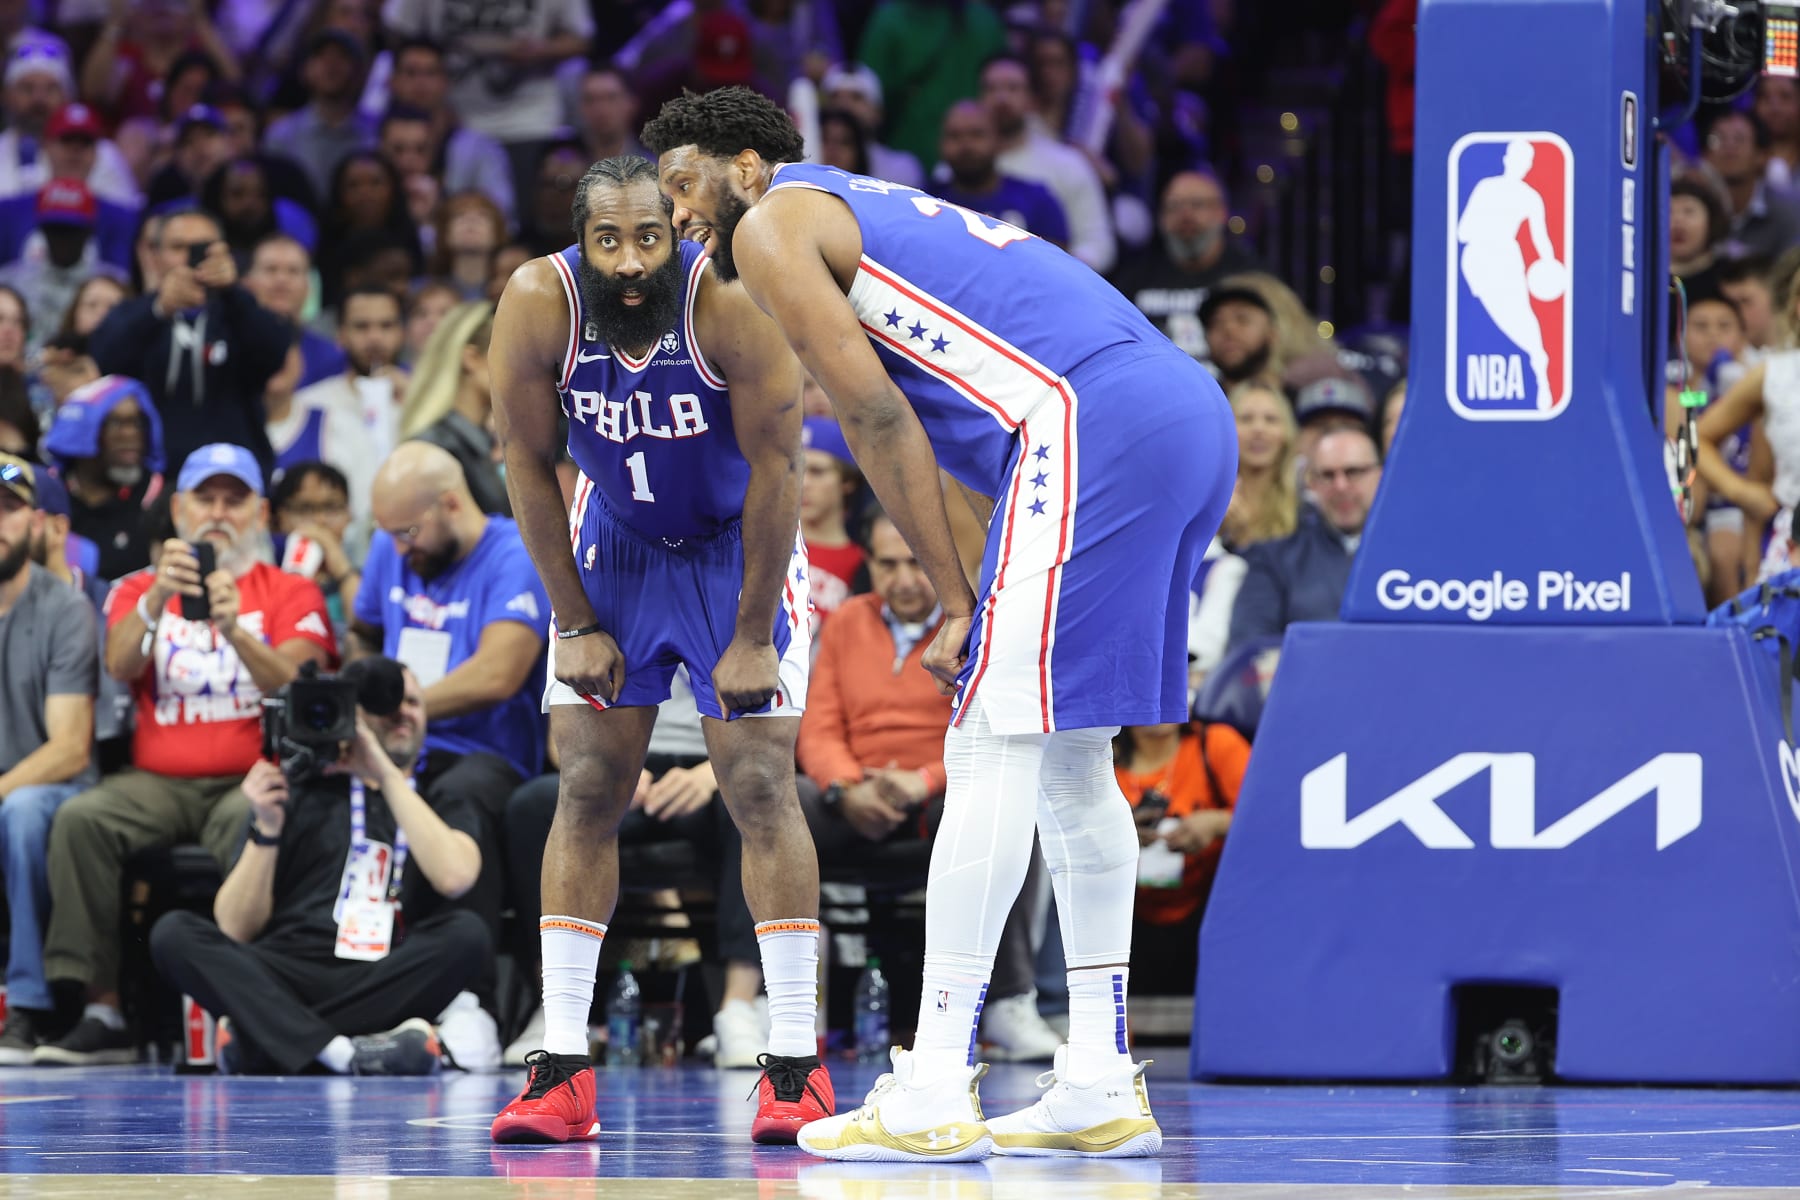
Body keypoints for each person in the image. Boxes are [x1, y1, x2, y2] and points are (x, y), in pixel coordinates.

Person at [642, 86, 1235, 1162]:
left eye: (684, 184)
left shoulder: (777, 218)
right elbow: (968, 442)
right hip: (1175, 416)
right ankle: (1098, 1078)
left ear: (744, 165)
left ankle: (930, 1084)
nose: (678, 215)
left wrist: (962, 600)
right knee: (1068, 759)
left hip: (1085, 421)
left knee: (989, 743)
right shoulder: (870, 215)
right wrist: (971, 579)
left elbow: (874, 417)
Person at [487, 155, 829, 1147]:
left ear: (674, 235)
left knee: (761, 785)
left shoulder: (728, 298)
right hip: (617, 549)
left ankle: (797, 1062)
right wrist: (573, 620)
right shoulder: (535, 301)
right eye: (610, 241)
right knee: (587, 785)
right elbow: (526, 463)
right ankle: (560, 1063)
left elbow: (779, 470)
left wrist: (755, 632)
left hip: (735, 549)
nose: (632, 261)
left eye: (650, 237)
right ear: (579, 244)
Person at [149, 658, 490, 1077]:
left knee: (468, 935)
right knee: (174, 933)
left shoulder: (443, 799)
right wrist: (267, 828)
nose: (403, 711)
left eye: (414, 702)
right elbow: (235, 927)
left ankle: (272, 1039)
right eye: (388, 703)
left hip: (382, 973)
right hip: (284, 969)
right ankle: (344, 1053)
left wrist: (382, 771)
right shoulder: (294, 791)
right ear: (354, 715)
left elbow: (455, 878)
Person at [0, 455, 98, 1063]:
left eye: (7, 510)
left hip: (55, 790)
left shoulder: (64, 609)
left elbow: (69, 748)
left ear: (35, 522)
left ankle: (31, 1006)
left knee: (24, 810)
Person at [1456, 139, 1562, 412]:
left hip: (1506, 259)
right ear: (1506, 159)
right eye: (1516, 158)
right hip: (1478, 260)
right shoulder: (1486, 187)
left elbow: (1543, 239)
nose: (1520, 165)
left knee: (1521, 316)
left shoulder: (1530, 197)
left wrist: (1548, 264)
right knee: (1487, 318)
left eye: (1526, 161)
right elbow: (1462, 231)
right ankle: (1538, 361)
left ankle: (1540, 369)